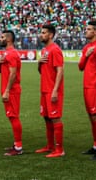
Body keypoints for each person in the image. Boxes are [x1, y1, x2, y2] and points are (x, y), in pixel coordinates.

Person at [78, 21, 96, 160]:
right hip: (87, 86)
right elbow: (80, 66)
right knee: (91, 117)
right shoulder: (87, 48)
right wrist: (86, 55)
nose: (86, 31)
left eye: (89, 29)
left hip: (94, 86)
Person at [36, 24, 65, 158]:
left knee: (55, 118)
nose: (41, 35)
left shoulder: (55, 50)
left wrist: (55, 90)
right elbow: (41, 71)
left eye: (44, 33)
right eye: (41, 32)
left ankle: (60, 150)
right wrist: (39, 63)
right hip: (44, 89)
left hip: (52, 90)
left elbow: (60, 70)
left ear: (51, 35)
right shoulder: (44, 50)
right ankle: (50, 146)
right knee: (47, 118)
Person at [0, 30, 23, 156]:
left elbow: (13, 74)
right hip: (8, 89)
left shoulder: (12, 53)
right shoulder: (6, 53)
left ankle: (18, 147)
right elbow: (3, 71)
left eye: (2, 37)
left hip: (11, 90)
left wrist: (7, 90)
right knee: (11, 116)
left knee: (13, 117)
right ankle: (16, 144)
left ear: (8, 39)